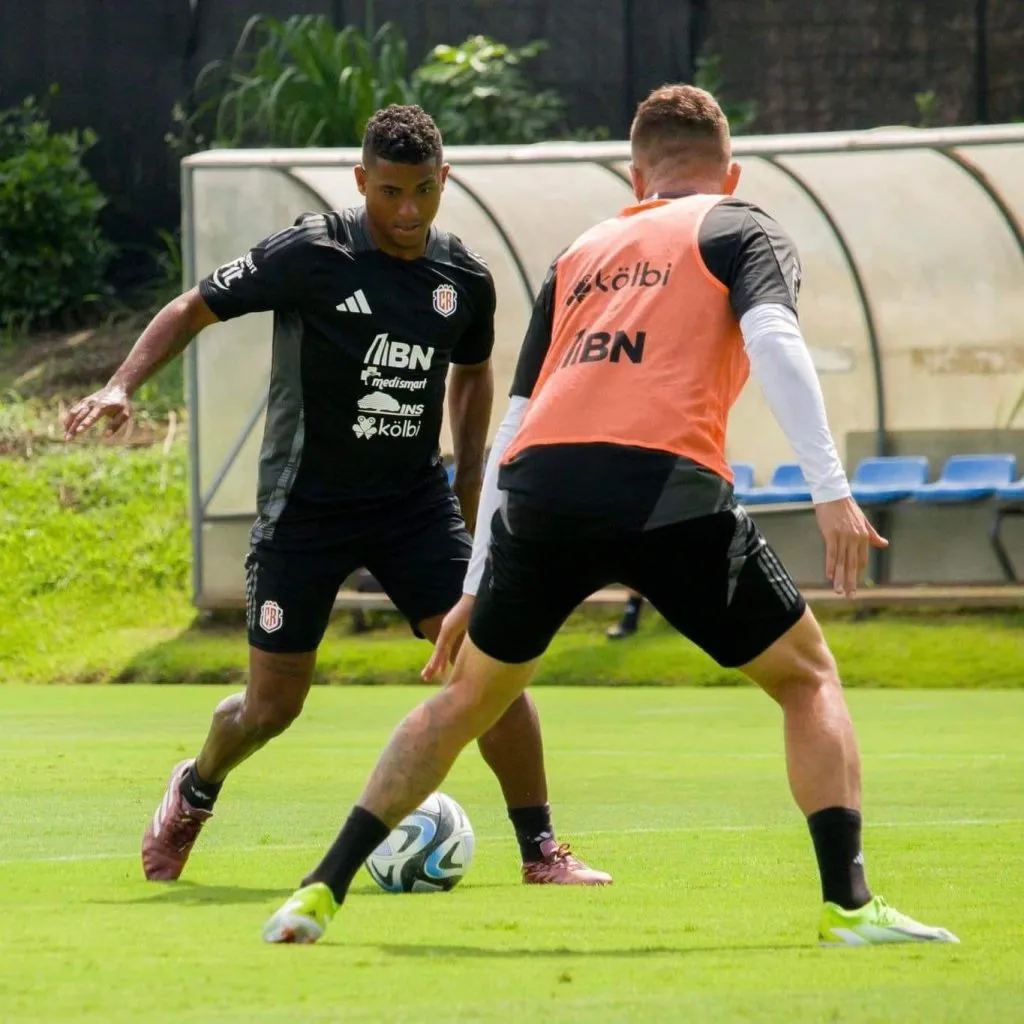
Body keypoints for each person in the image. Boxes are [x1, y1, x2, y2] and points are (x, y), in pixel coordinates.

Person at [260, 84, 960, 947]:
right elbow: (775, 340)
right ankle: (850, 906)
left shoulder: (579, 251)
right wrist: (831, 489)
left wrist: (477, 581)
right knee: (807, 676)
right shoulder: (739, 225)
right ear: (728, 171)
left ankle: (317, 892)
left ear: (637, 176)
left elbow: (513, 424)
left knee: (466, 700)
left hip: (541, 488)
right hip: (663, 483)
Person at [63, 105, 609, 888]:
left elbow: (475, 367)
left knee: (489, 666)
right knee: (271, 707)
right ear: (362, 182)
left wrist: (465, 476)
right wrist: (121, 386)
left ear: (444, 179)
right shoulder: (311, 252)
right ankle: (194, 790)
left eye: (424, 190)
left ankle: (541, 851)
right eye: (391, 192)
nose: (409, 211)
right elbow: (192, 307)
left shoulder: (463, 278)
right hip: (304, 510)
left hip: (411, 507)